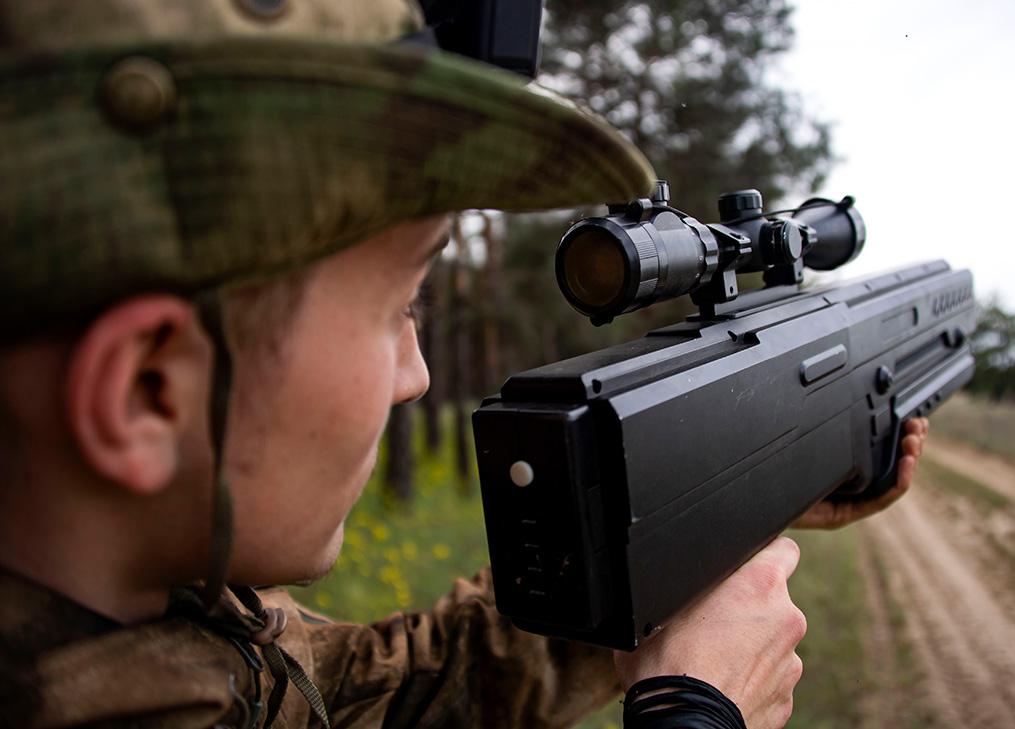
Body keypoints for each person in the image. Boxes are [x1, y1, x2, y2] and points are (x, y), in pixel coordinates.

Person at [0, 1, 929, 727]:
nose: (418, 375)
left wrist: (694, 525)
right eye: (402, 306)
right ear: (147, 391)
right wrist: (695, 715)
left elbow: (393, 695)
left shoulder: (167, 632)